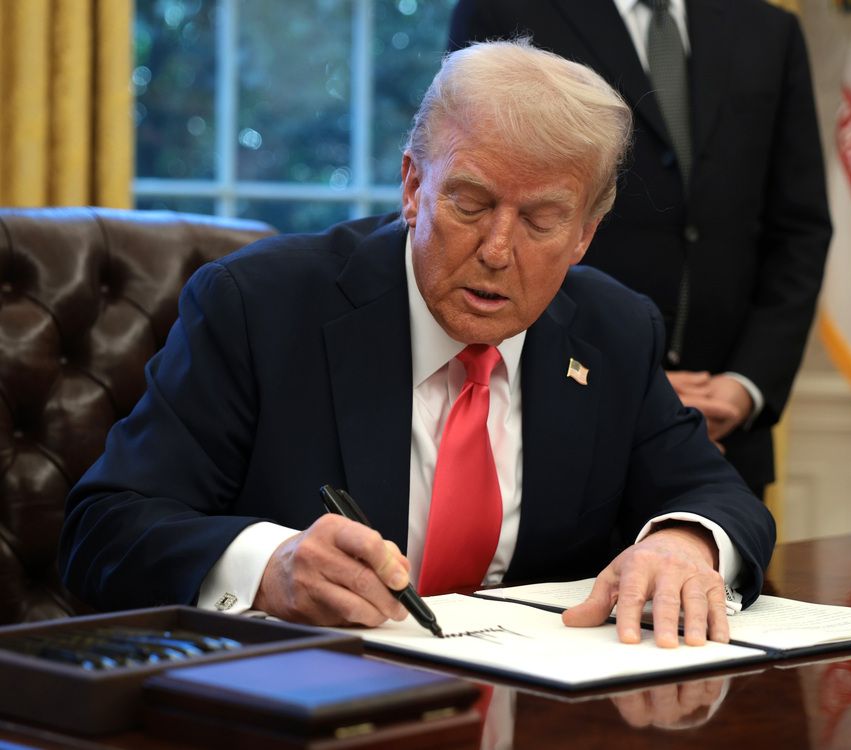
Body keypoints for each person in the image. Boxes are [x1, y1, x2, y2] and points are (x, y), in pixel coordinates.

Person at [58, 40, 775, 648]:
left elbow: (712, 492)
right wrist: (268, 566)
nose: (498, 250)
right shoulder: (260, 309)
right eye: (470, 203)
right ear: (412, 187)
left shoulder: (614, 330)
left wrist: (684, 540)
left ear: (584, 234)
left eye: (541, 222)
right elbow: (105, 529)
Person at [448, 0, 833, 498]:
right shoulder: (505, 12)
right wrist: (635, 385)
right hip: (568, 413)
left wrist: (746, 385)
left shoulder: (770, 30)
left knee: (713, 567)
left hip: (726, 430)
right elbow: (488, 190)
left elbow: (800, 229)